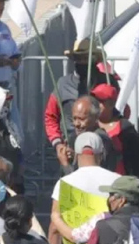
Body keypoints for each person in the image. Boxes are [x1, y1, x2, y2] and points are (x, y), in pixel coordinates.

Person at [43, 39, 120, 172]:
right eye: (78, 59)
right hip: (70, 150)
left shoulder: (108, 81)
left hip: (101, 149)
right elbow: (50, 117)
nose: (82, 62)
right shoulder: (63, 84)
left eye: (85, 58)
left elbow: (119, 112)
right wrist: (58, 143)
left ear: (94, 59)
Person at [91, 83, 139, 178]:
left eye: (100, 101)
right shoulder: (90, 124)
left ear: (111, 104)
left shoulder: (125, 128)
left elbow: (138, 160)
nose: (95, 105)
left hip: (120, 181)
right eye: (94, 101)